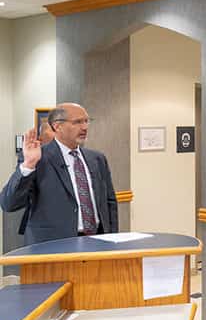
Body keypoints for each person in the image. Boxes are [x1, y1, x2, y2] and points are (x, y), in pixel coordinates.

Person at [1, 103, 118, 245]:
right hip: (52, 246)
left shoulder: (97, 159)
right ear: (57, 126)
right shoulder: (38, 158)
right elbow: (9, 204)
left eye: (87, 121)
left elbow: (109, 202)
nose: (85, 127)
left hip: (98, 241)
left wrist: (112, 240)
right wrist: (28, 165)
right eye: (77, 122)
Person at [15, 118, 55, 236]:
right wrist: (29, 164)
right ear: (41, 139)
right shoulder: (31, 158)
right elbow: (15, 198)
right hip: (41, 228)